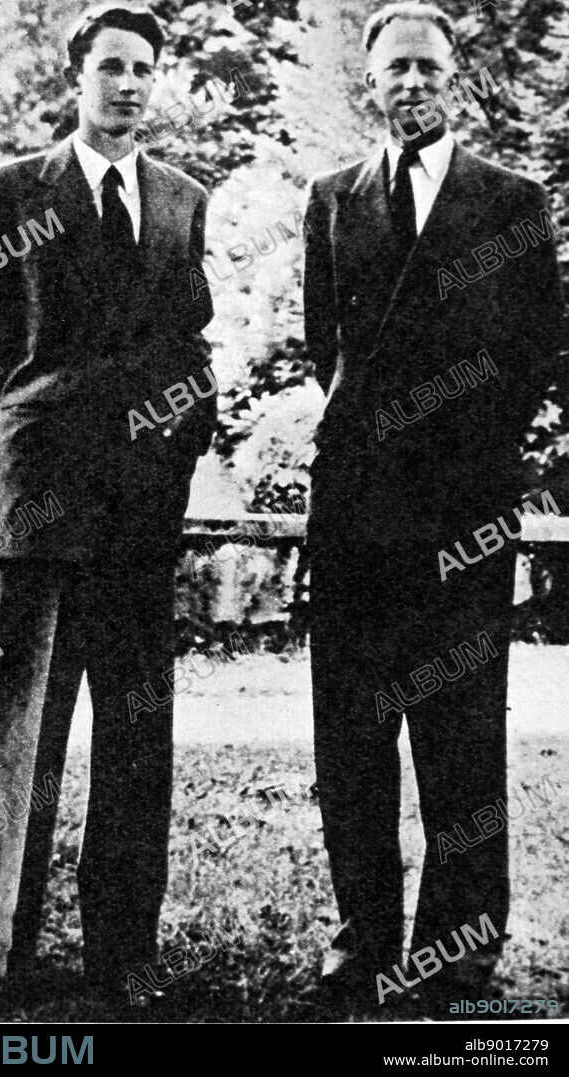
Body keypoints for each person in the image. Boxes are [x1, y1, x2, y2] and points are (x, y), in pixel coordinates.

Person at [0, 2, 216, 1017]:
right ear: (77, 77)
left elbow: (192, 344)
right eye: (110, 66)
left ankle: (123, 951)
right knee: (22, 735)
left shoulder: (183, 198)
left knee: (139, 731)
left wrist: (184, 439)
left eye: (144, 67)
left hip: (141, 515)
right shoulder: (12, 189)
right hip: (39, 507)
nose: (128, 84)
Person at [303, 1, 564, 1018]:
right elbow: (326, 346)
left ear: (451, 77)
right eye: (392, 70)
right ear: (371, 83)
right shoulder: (331, 198)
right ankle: (361, 936)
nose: (408, 83)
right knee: (352, 736)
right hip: (358, 509)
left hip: (460, 508)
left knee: (458, 733)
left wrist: (463, 452)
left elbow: (536, 346)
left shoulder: (509, 201)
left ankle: (456, 945)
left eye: (424, 67)